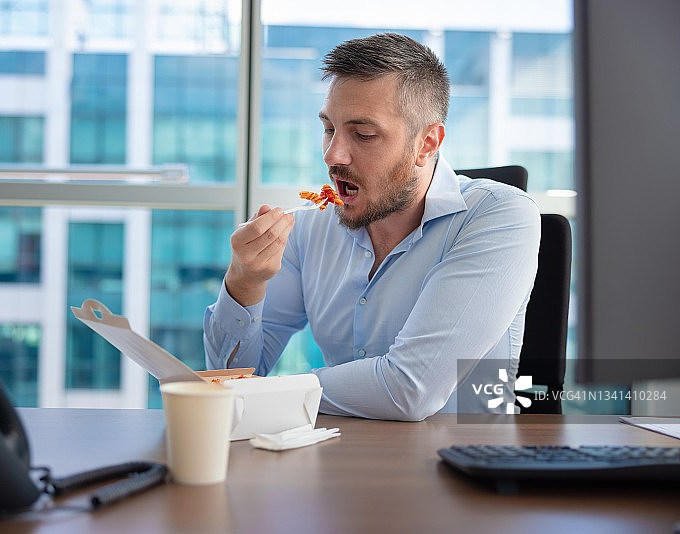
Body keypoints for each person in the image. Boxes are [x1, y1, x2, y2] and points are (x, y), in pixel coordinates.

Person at [203, 33, 540, 421]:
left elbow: (410, 389)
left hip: (461, 468)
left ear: (427, 143)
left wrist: (266, 394)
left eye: (363, 134)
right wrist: (245, 283)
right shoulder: (309, 228)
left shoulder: (499, 216)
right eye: (329, 129)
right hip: (336, 460)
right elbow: (227, 380)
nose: (333, 156)